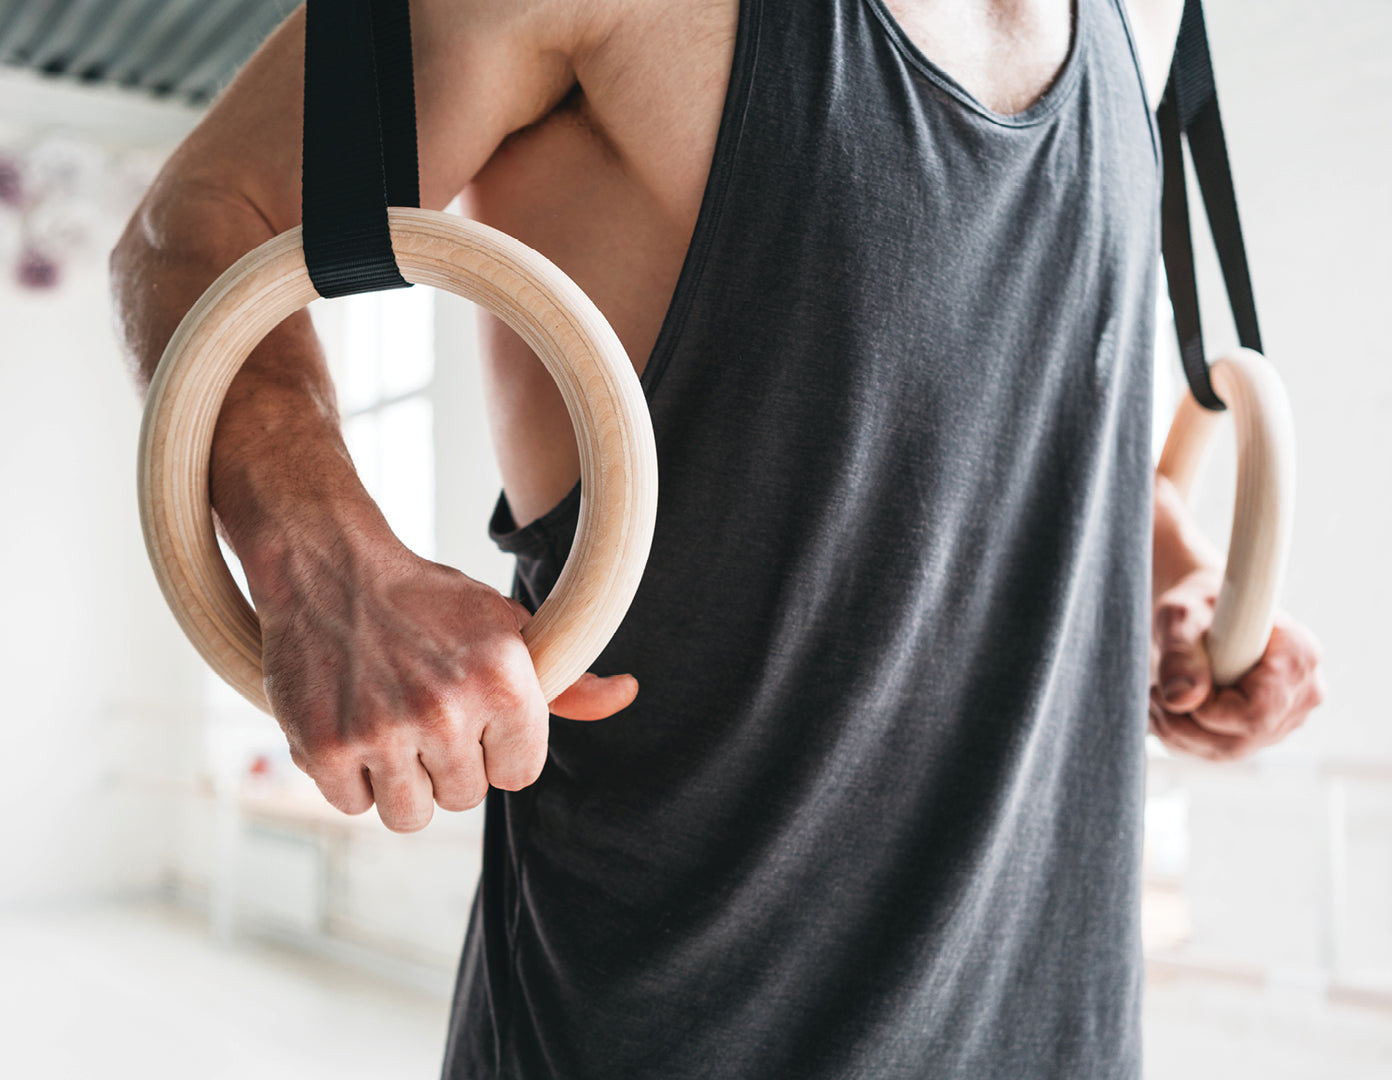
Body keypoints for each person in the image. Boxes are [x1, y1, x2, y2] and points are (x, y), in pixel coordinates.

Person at [112, 0, 1325, 1075]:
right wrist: (324, 555)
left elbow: (1037, 415)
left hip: (1062, 1022)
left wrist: (1174, 587)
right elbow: (203, 222)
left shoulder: (1138, 34)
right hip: (679, 1022)